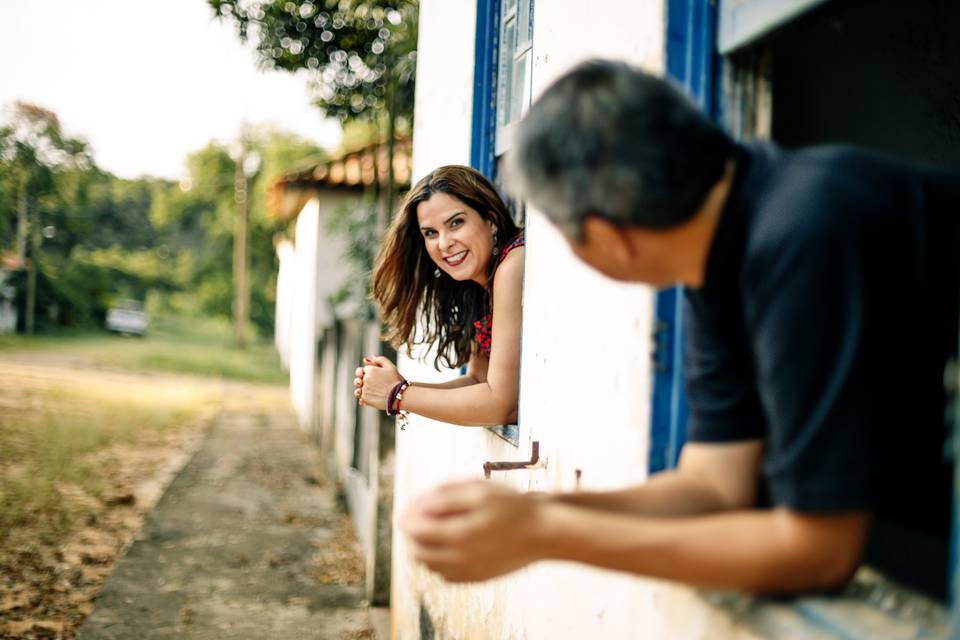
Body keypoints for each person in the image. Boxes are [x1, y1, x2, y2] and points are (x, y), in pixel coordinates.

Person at [399, 60, 960, 596]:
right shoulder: (718, 260)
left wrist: (549, 535)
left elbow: (819, 552)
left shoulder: (807, 231)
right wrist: (537, 514)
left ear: (607, 235)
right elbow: (712, 485)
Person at [354, 165, 524, 427]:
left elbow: (502, 406)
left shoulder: (512, 266)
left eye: (456, 223)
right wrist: (399, 387)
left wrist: (398, 396)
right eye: (430, 233)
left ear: (490, 221)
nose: (444, 244)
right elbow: (478, 380)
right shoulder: (479, 285)